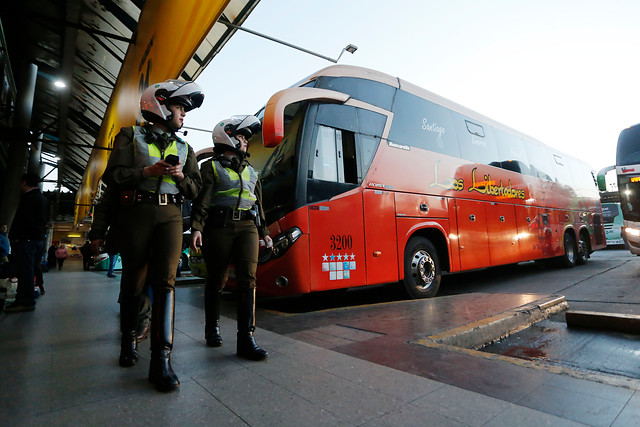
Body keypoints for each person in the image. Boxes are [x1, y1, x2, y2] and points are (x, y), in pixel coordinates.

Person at [97, 79, 203, 392]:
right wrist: (146, 173)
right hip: (137, 213)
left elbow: (196, 189)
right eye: (179, 106)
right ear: (158, 103)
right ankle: (128, 341)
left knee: (166, 282)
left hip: (171, 215)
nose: (183, 114)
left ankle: (162, 360)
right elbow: (113, 177)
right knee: (134, 279)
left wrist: (181, 176)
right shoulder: (129, 136)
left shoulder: (185, 148)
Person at [190, 115, 272, 361]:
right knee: (217, 279)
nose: (246, 142)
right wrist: (197, 227)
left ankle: (246, 338)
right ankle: (212, 327)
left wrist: (264, 232)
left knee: (249, 279)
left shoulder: (251, 171)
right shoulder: (210, 167)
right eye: (242, 137)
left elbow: (258, 204)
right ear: (227, 137)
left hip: (247, 226)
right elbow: (201, 201)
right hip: (218, 227)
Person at [5, 173, 48, 313]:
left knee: (25, 272)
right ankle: (25, 299)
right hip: (37, 240)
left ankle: (26, 301)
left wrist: (16, 236)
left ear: (24, 183)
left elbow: (24, 221)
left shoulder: (29, 199)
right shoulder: (42, 199)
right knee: (29, 270)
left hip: (27, 241)